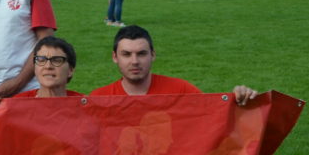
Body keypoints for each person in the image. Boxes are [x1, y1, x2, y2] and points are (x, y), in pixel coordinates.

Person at [90, 25, 258, 104]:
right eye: (126, 54)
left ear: (153, 55)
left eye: (141, 53)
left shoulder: (181, 91)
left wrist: (240, 101)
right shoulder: (98, 99)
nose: (134, 61)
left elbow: (214, 119)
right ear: (115, 57)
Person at [11, 36, 84, 98]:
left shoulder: (85, 107)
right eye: (41, 60)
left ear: (70, 70)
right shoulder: (17, 104)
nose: (48, 66)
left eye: (56, 60)